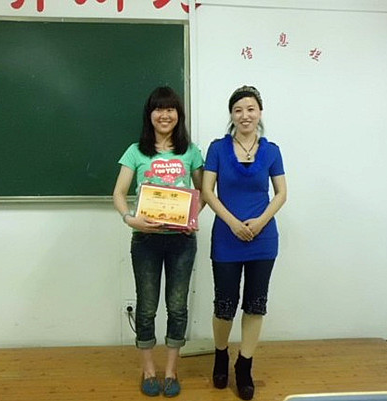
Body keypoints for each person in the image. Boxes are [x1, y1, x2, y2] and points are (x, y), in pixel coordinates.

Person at [113, 86, 204, 397]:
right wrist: (131, 219)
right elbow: (118, 193)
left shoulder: (190, 151)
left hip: (182, 242)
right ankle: (149, 370)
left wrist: (191, 218)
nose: (164, 115)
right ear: (149, 114)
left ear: (178, 114)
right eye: (158, 109)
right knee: (147, 307)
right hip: (146, 241)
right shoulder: (135, 151)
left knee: (177, 307)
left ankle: (171, 370)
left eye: (170, 109)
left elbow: (204, 191)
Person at [201, 85, 287, 400]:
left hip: (263, 239)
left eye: (250, 109)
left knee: (255, 304)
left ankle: (244, 365)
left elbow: (281, 193)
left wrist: (261, 221)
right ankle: (220, 354)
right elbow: (208, 192)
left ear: (259, 113)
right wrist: (233, 223)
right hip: (227, 237)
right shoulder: (217, 148)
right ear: (232, 115)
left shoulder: (272, 150)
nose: (245, 115)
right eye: (238, 110)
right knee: (224, 305)